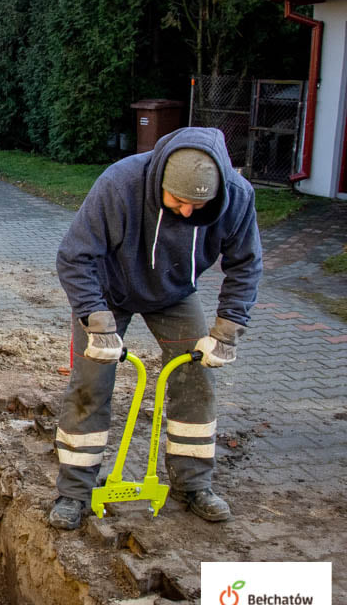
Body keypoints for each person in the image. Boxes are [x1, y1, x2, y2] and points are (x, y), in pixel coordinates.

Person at [49, 126, 263, 530]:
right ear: (160, 180)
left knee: (195, 377)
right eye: (179, 201)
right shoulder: (120, 184)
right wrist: (96, 320)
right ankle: (74, 492)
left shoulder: (236, 197)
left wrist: (228, 328)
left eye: (197, 205)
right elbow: (74, 256)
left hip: (175, 292)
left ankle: (192, 485)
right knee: (90, 384)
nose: (187, 211)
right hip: (108, 291)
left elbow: (246, 264)